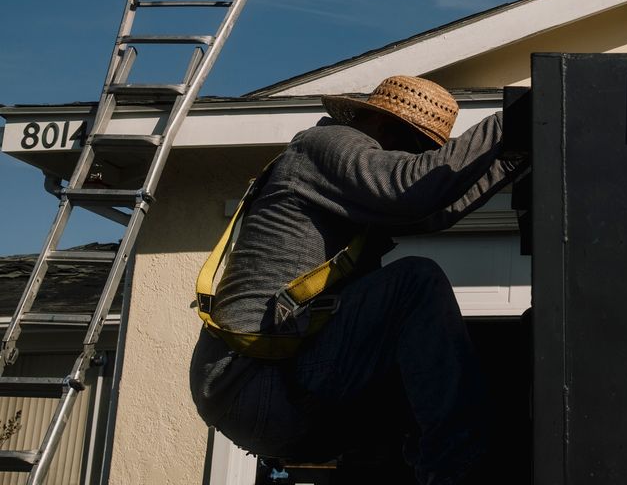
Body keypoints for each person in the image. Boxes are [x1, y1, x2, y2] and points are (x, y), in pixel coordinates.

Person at [189, 75, 528, 485]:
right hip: (256, 380)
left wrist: (510, 158)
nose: (419, 160)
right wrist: (510, 120)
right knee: (415, 282)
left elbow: (432, 210)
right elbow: (412, 186)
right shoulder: (329, 144)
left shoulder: (348, 186)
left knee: (426, 361)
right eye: (418, 150)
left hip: (284, 389)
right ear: (384, 128)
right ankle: (455, 470)